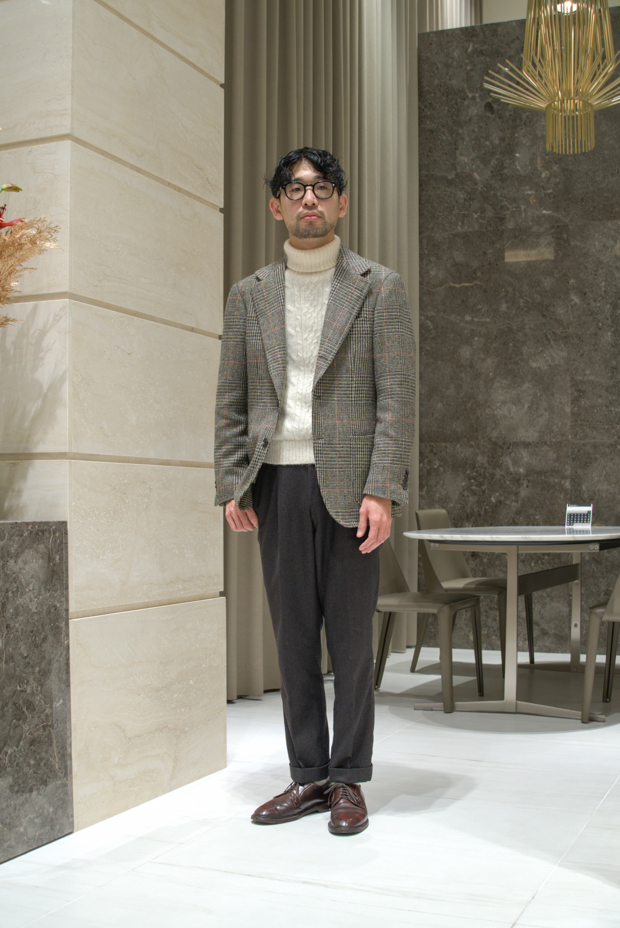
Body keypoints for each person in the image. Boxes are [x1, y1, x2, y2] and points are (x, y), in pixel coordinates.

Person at [214, 147, 415, 835]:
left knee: (352, 641)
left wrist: (382, 488)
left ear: (342, 203)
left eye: (322, 188)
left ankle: (348, 779)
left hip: (352, 487)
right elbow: (232, 399)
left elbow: (397, 399)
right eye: (295, 189)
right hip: (275, 482)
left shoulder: (378, 287)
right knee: (293, 636)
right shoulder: (249, 294)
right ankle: (308, 777)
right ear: (276, 205)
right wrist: (232, 482)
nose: (309, 199)